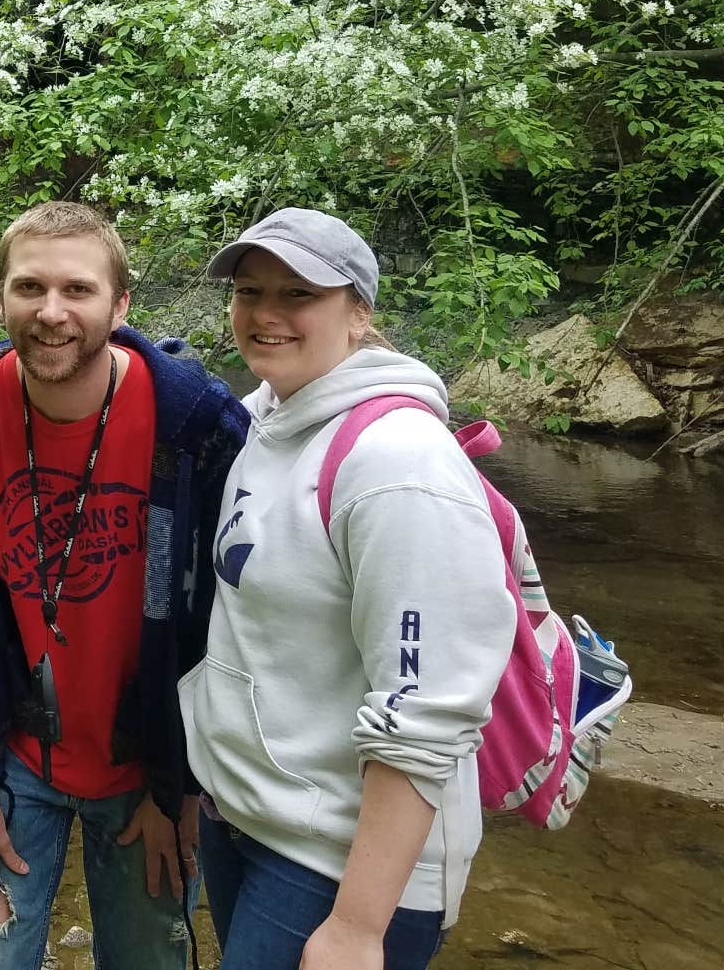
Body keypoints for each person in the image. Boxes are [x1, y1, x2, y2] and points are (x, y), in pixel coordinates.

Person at [0, 202, 250, 970]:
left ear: (121, 304)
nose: (52, 312)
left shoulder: (198, 426)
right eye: (29, 288)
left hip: (148, 771)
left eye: (78, 290)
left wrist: (184, 791)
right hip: (12, 761)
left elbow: (229, 627)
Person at [183, 208, 512, 970]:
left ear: (358, 313)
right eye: (249, 289)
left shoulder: (399, 464)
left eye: (298, 294)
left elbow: (429, 708)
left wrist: (361, 925)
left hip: (337, 865)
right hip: (247, 822)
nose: (265, 313)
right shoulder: (263, 418)